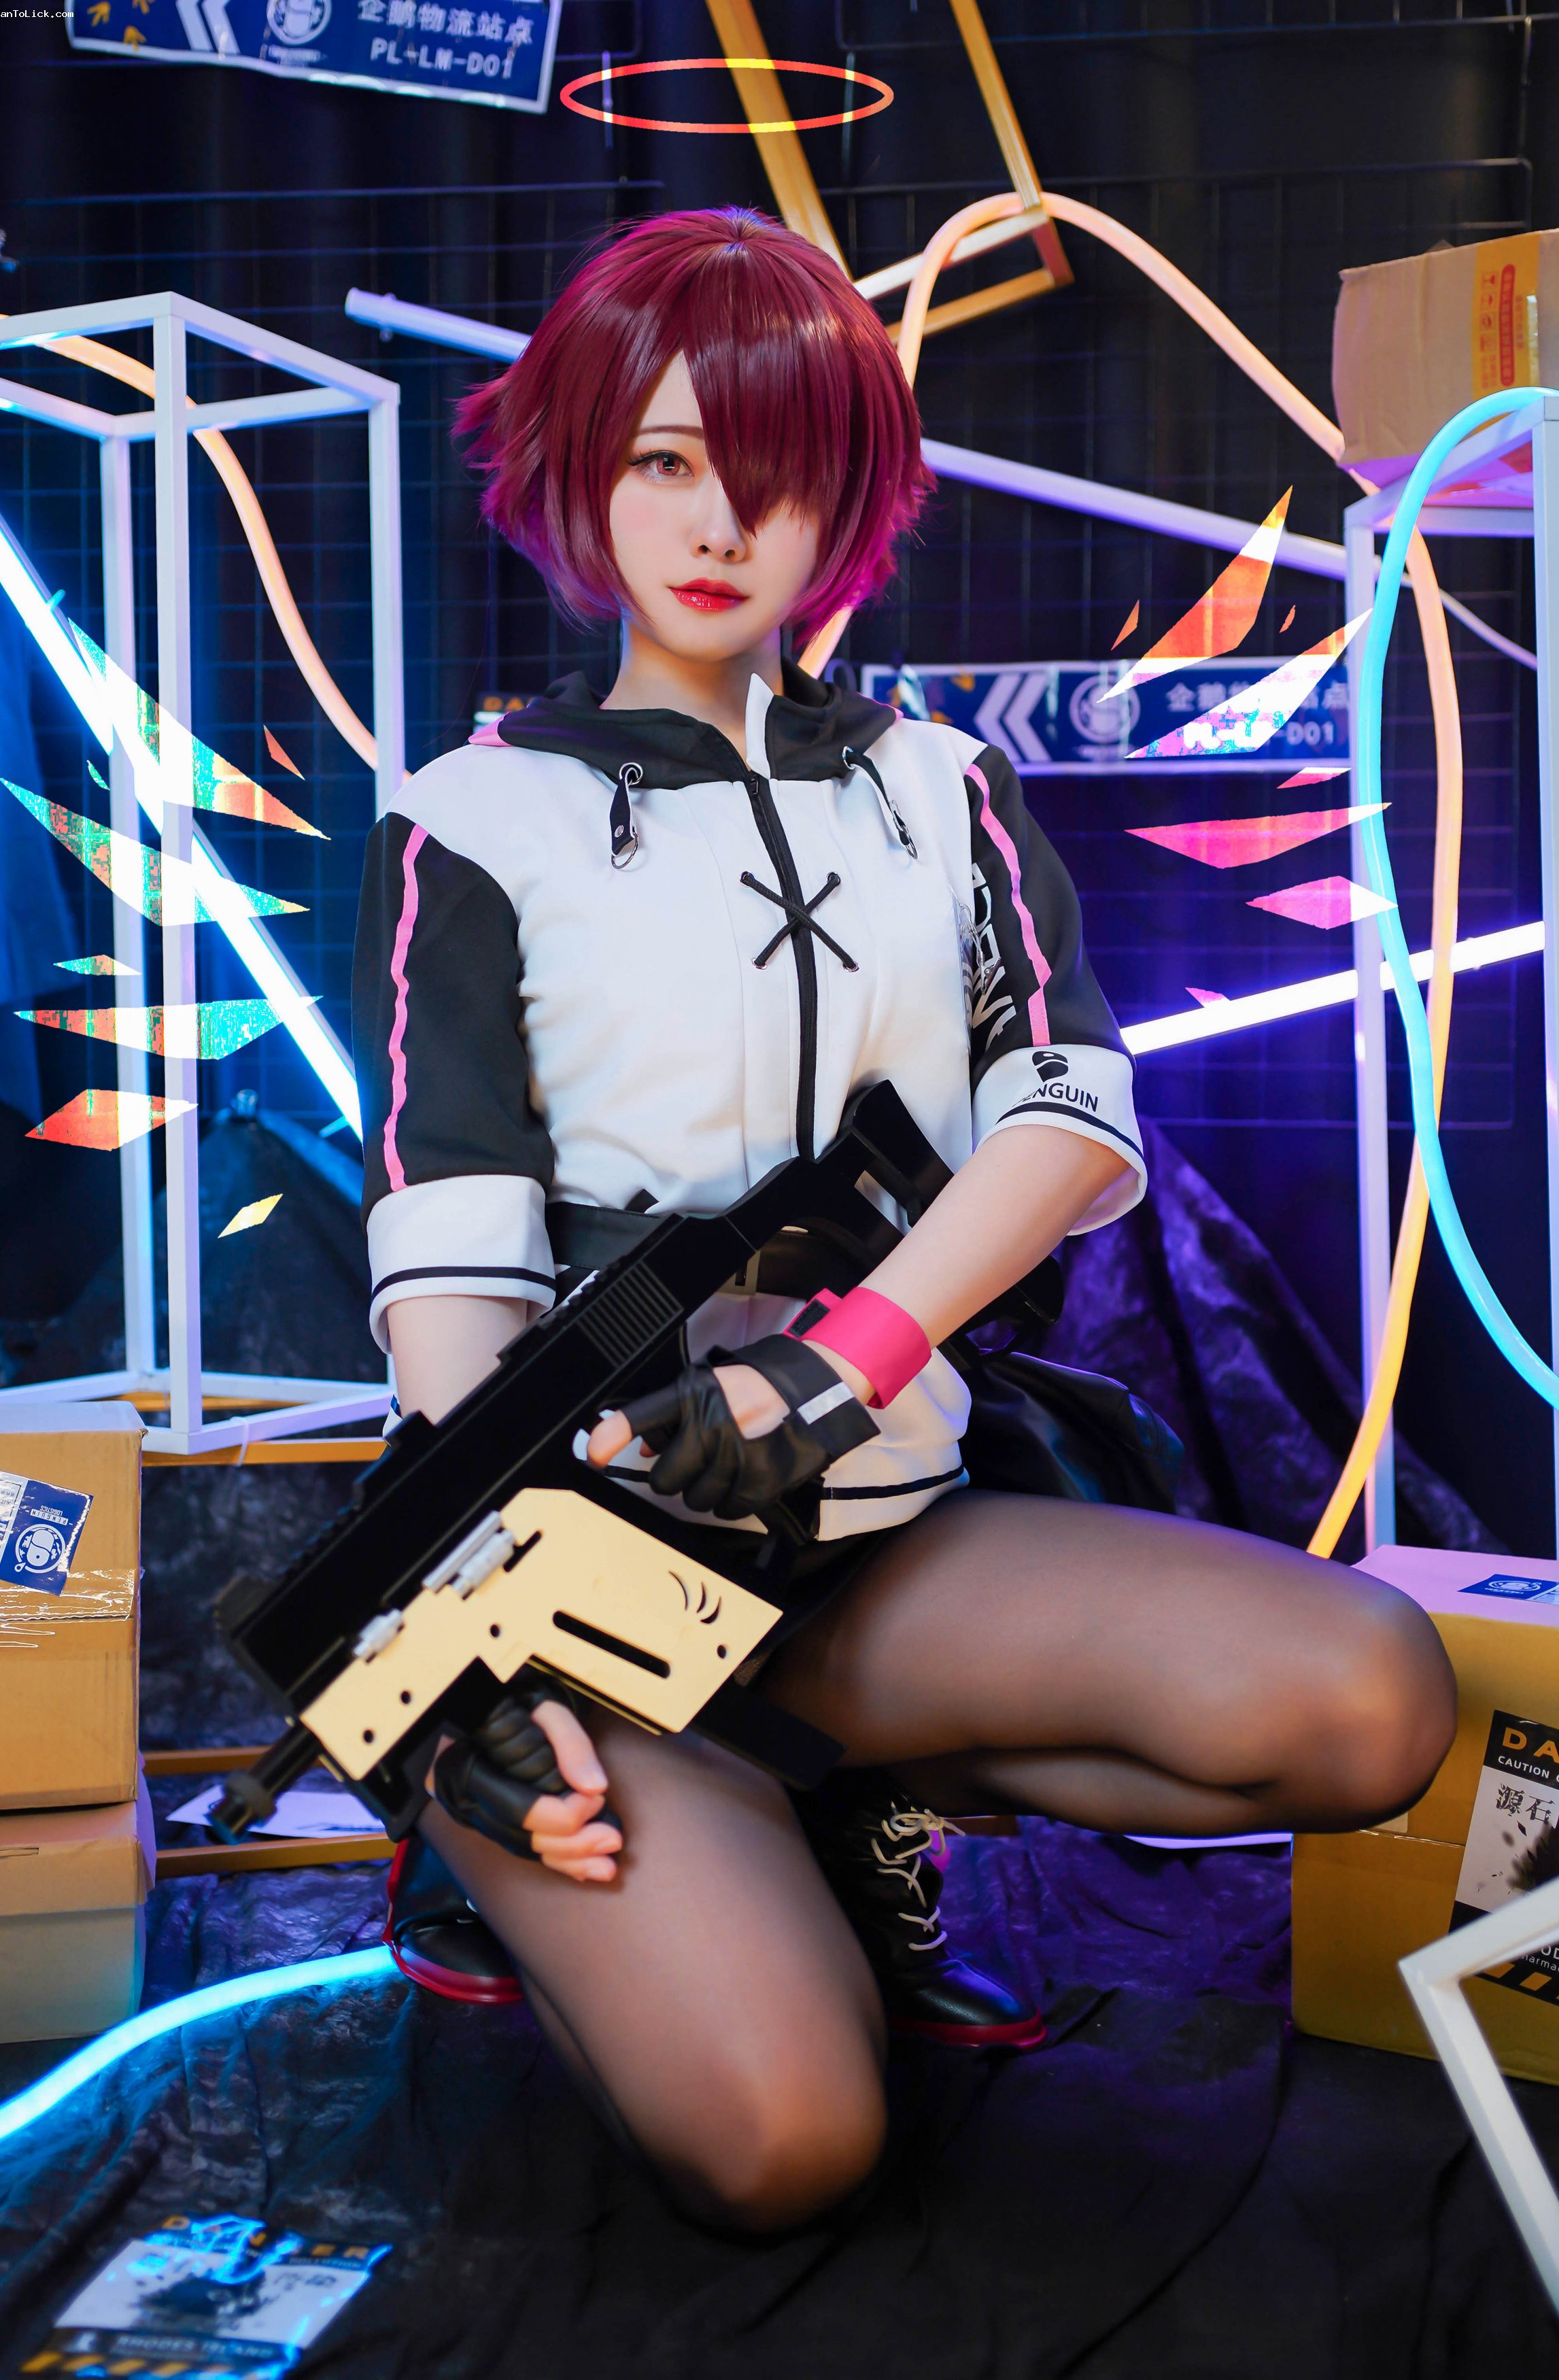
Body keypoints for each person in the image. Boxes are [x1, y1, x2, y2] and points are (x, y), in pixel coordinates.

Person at [350, 207, 1456, 2235]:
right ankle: (474, 1832)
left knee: (1375, 1697)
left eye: (776, 470)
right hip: (591, 1579)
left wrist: (842, 1364)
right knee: (787, 2146)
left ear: (847, 501)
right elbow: (450, 1243)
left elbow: (1069, 1111)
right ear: (584, 468)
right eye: (665, 458)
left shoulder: (942, 788)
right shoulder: (474, 817)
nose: (718, 522)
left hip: (881, 1537)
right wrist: (478, 1654)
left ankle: (844, 1794)